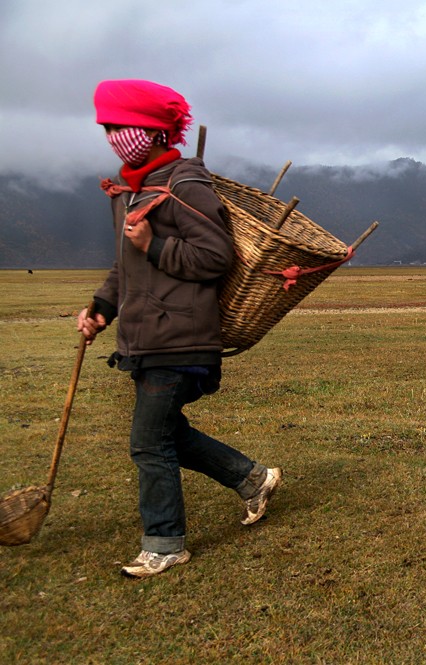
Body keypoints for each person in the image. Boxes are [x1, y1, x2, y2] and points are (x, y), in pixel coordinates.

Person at [78, 79, 282, 578]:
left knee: (149, 442)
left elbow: (215, 257)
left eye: (120, 127)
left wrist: (152, 246)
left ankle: (165, 543)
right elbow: (125, 264)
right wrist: (102, 307)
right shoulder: (133, 189)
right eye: (106, 128)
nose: (112, 137)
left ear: (151, 131)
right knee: (166, 433)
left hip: (180, 335)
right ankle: (252, 478)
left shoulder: (183, 185)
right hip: (145, 336)